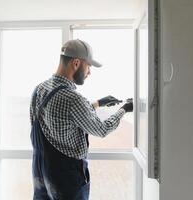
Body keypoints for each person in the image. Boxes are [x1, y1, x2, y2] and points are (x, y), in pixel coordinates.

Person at [30, 39, 133, 200]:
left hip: (41, 176)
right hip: (67, 180)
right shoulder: (73, 99)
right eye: (89, 66)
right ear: (76, 63)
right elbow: (102, 129)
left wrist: (98, 103)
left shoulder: (39, 90)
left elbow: (62, 118)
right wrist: (124, 109)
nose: (89, 72)